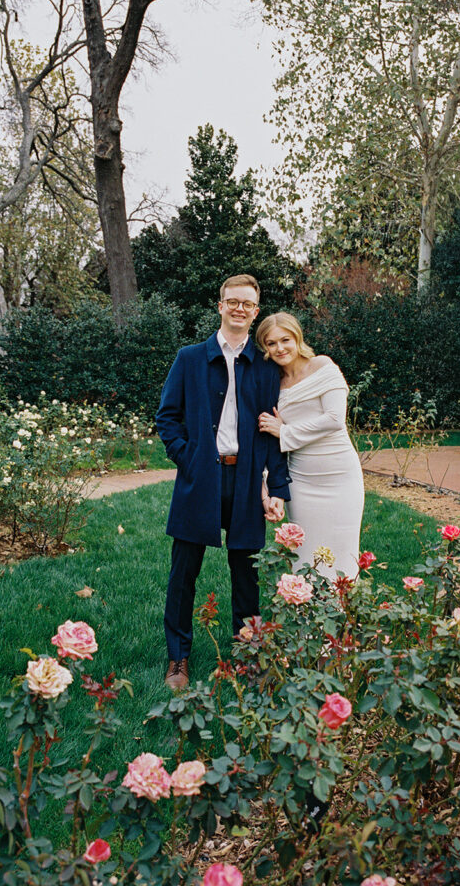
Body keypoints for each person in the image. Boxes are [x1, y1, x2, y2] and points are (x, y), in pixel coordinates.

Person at [156, 275, 291, 690]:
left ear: (255, 310)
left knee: (246, 573)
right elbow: (167, 418)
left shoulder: (266, 367)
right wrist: (190, 459)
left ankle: (247, 651)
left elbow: (273, 432)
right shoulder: (190, 358)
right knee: (184, 572)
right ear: (220, 306)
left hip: (248, 478)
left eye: (247, 304)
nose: (239, 308)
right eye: (232, 301)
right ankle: (178, 658)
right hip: (201, 477)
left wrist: (279, 489)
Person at [256, 312, 364, 580]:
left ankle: (344, 616)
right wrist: (268, 480)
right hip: (302, 480)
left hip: (340, 477)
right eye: (271, 343)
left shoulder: (322, 366)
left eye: (285, 340)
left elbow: (334, 420)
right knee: (305, 552)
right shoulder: (273, 383)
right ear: (264, 348)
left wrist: (285, 431)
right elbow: (265, 432)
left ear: (297, 338)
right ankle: (307, 614)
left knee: (343, 552)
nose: (280, 348)